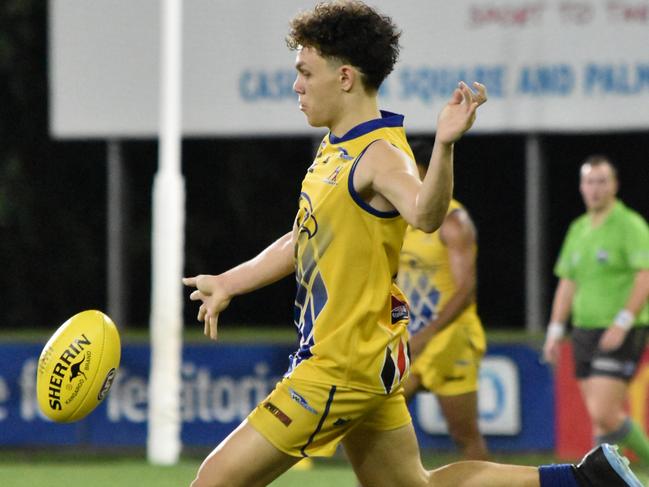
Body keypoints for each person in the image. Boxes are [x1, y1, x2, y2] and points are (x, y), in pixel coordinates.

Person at [183, 2, 642, 486]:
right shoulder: (334, 149)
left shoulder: (381, 154)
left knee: (211, 483)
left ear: (344, 78)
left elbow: (425, 214)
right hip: (365, 356)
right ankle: (584, 479)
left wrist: (443, 147)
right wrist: (229, 281)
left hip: (340, 367)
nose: (296, 84)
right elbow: (304, 235)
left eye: (304, 72)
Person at [543, 155, 649, 466]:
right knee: (601, 420)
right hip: (584, 331)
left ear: (614, 186)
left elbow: (645, 276)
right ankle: (607, 475)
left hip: (620, 330)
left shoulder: (629, 225)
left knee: (604, 412)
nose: (595, 189)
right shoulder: (578, 229)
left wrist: (623, 322)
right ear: (581, 186)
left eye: (602, 181)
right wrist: (554, 331)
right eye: (590, 181)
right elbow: (567, 283)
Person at [397, 139, 488, 460]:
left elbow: (465, 290)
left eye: (409, 167)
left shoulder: (452, 220)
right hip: (412, 339)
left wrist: (428, 334)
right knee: (375, 419)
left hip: (450, 339)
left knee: (464, 435)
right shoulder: (404, 215)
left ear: (426, 171)